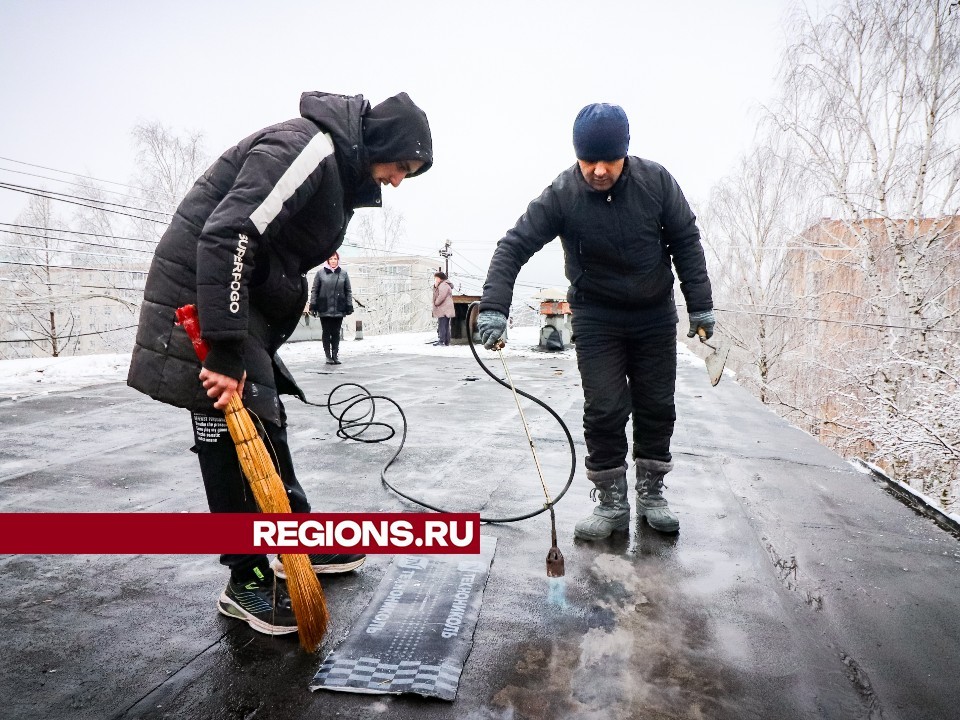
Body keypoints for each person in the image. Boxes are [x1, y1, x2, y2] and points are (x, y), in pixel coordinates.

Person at [127, 91, 432, 635]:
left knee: (263, 421)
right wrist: (222, 344)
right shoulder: (308, 147)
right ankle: (244, 577)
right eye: (401, 166)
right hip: (201, 297)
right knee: (229, 432)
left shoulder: (334, 166)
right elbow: (230, 233)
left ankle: (297, 539)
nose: (397, 181)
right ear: (382, 142)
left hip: (235, 304)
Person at [476, 103, 714, 540]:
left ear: (626, 153)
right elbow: (513, 246)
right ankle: (610, 503)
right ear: (577, 155)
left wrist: (700, 305)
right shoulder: (562, 193)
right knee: (604, 407)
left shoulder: (656, 182)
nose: (599, 170)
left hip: (653, 314)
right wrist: (494, 306)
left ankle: (652, 492)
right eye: (589, 160)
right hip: (597, 315)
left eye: (610, 160)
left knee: (656, 404)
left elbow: (686, 240)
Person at [310, 252, 353, 364]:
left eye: (335, 259)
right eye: (331, 258)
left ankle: (335, 355)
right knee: (326, 332)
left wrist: (349, 305)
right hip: (325, 307)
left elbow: (348, 291)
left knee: (336, 332)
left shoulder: (343, 274)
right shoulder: (320, 273)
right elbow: (314, 291)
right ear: (327, 260)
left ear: (338, 260)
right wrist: (313, 306)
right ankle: (328, 356)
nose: (333, 261)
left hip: (339, 307)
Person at [432, 271, 455, 346]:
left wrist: (436, 302)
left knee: (442, 324)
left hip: (443, 308)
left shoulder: (443, 285)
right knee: (445, 325)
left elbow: (441, 296)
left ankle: (442, 340)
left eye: (436, 278)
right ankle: (446, 341)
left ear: (440, 278)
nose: (435, 279)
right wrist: (435, 286)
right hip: (445, 308)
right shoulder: (444, 284)